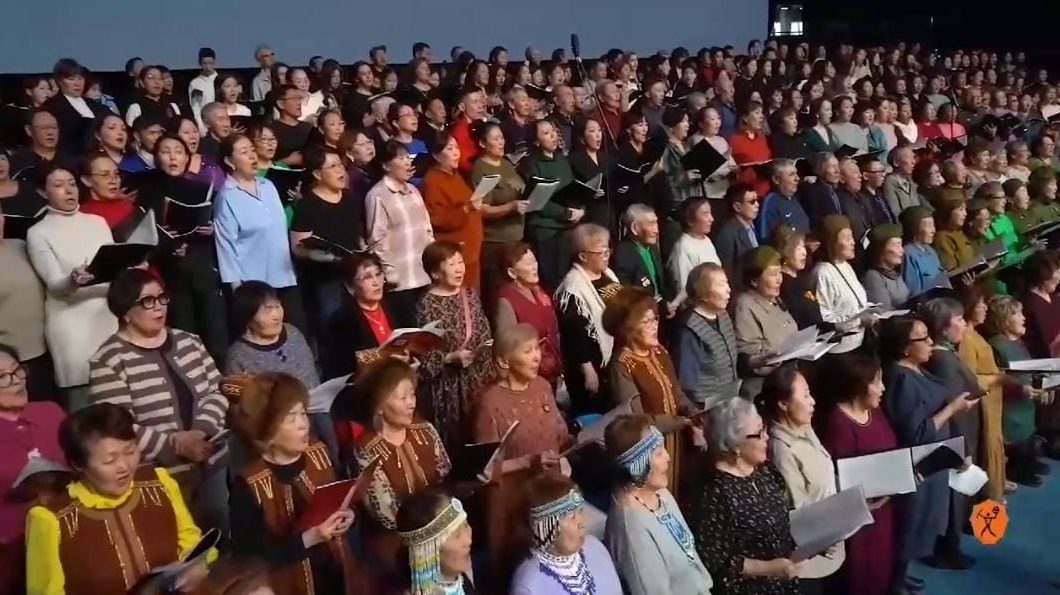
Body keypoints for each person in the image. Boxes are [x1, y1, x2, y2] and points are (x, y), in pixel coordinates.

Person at [87, 268, 229, 530]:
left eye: (162, 298)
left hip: (214, 461)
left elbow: (218, 390)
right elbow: (117, 426)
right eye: (147, 301)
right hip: (159, 474)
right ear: (125, 312)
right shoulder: (109, 359)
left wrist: (202, 431)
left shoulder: (190, 341)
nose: (159, 306)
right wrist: (176, 446)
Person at [24, 403, 213, 594]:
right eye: (110, 461)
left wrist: (197, 569)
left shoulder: (159, 483)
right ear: (78, 464)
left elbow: (192, 544)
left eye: (130, 452)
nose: (124, 466)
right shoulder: (51, 518)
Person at [228, 372, 367, 594]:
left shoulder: (319, 451)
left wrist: (349, 515)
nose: (303, 425)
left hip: (339, 578)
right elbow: (248, 560)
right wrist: (308, 539)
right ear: (267, 430)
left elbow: (342, 496)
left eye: (303, 413)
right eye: (291, 418)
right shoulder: (248, 483)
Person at [878, 316, 979, 589]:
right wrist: (952, 408)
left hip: (935, 457)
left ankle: (901, 574)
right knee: (910, 525)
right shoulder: (900, 379)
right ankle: (893, 582)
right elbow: (917, 433)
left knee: (923, 523)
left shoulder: (919, 369)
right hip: (916, 464)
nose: (931, 342)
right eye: (923, 338)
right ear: (905, 347)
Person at [473, 324, 574, 589]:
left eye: (537, 348)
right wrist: (528, 462)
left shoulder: (542, 386)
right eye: (527, 351)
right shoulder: (490, 402)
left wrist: (572, 447)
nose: (537, 356)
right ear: (504, 361)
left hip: (550, 492)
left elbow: (559, 434)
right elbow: (484, 470)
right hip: (513, 503)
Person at [346, 358, 451, 579]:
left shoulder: (425, 429)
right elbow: (386, 514)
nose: (411, 403)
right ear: (379, 406)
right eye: (402, 397)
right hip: (396, 548)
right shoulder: (366, 449)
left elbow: (446, 476)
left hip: (440, 530)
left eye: (412, 394)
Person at [26, 165, 118, 409]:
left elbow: (111, 267)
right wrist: (73, 280)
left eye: (72, 183)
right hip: (71, 323)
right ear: (43, 192)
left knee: (117, 393)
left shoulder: (98, 222)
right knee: (83, 404)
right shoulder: (38, 232)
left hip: (106, 315)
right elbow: (55, 285)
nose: (68, 190)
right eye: (58, 185)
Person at [695, 397, 799, 595]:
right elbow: (714, 562)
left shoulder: (765, 470)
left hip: (784, 582)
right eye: (759, 433)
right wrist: (769, 568)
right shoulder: (716, 493)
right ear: (735, 445)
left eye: (764, 428)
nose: (766, 437)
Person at [223, 281, 336, 461]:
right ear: (249, 317)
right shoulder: (238, 355)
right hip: (276, 437)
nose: (276, 315)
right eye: (267, 310)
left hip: (317, 418)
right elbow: (242, 413)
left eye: (277, 306)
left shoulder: (293, 333)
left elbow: (311, 378)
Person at [758, 365, 845, 592]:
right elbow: (798, 512)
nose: (813, 401)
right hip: (812, 558)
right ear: (783, 404)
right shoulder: (781, 450)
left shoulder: (804, 426)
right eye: (805, 395)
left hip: (832, 543)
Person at [604, 414, 713, 595]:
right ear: (637, 464)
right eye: (659, 453)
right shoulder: (632, 528)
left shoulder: (660, 493)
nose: (668, 457)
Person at [819, 353, 899, 595]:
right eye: (876, 382)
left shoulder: (875, 411)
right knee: (859, 575)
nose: (882, 388)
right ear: (858, 385)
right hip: (858, 517)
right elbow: (839, 476)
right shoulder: (838, 423)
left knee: (881, 569)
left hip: (883, 508)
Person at [604, 286, 698, 490]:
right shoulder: (623, 363)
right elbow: (635, 418)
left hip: (678, 439)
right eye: (645, 322)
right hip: (652, 448)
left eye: (654, 319)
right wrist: (676, 421)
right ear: (627, 328)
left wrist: (692, 411)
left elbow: (676, 391)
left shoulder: (659, 351)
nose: (654, 326)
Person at [214, 134, 307, 332]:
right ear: (229, 161)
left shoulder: (268, 186)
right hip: (254, 285)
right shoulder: (227, 197)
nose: (252, 156)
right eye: (244, 152)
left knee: (297, 332)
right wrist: (238, 291)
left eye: (252, 150)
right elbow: (226, 248)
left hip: (285, 276)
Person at [415, 241, 494, 452]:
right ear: (435, 273)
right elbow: (425, 356)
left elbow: (484, 333)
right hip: (448, 389)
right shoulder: (427, 304)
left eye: (460, 262)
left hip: (477, 381)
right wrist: (450, 358)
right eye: (451, 264)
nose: (459, 269)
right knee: (456, 443)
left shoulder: (470, 295)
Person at [0, 344, 65, 593]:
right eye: (2, 377)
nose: (16, 381)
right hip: (14, 552)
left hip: (71, 533)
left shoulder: (50, 412)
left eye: (17, 370)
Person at [511, 472, 623, 595]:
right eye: (570, 517)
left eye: (580, 511)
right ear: (543, 527)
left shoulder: (595, 548)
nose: (582, 524)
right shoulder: (529, 587)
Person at [290, 145, 363, 327]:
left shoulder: (349, 198)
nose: (340, 170)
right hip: (325, 280)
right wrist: (320, 255)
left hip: (353, 273)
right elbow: (298, 247)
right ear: (317, 174)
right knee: (333, 327)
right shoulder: (308, 205)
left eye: (340, 165)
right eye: (332, 166)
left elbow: (356, 233)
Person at [555, 223, 621, 415]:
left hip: (613, 360)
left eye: (608, 251)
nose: (606, 256)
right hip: (592, 365)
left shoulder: (608, 274)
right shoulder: (573, 288)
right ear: (583, 256)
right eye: (601, 252)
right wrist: (588, 370)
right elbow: (575, 335)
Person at [364, 140, 435, 314]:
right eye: (401, 158)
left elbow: (427, 228)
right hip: (400, 281)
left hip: (424, 274)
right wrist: (389, 270)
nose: (407, 162)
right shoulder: (377, 195)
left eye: (407, 157)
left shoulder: (413, 190)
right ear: (386, 165)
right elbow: (377, 239)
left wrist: (433, 259)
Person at [986, 295, 1052, 479]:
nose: (1024, 318)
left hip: (1025, 407)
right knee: (1015, 437)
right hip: (1009, 410)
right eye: (1017, 314)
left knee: (1027, 433)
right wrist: (1019, 390)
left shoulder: (1019, 342)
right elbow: (996, 381)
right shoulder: (996, 346)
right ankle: (1015, 468)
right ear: (1004, 319)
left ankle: (1027, 459)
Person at [956, 288, 1009, 500]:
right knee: (987, 451)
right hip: (983, 405)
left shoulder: (975, 334)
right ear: (970, 307)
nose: (986, 308)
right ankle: (991, 500)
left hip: (993, 401)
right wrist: (998, 378)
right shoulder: (966, 339)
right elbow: (969, 379)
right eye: (981, 304)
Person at [470, 121, 528, 300]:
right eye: (495, 139)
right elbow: (482, 209)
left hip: (515, 237)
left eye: (502, 138)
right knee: (498, 294)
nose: (501, 142)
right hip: (496, 242)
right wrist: (510, 207)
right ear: (483, 143)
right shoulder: (480, 169)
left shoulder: (506, 164)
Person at [733, 247, 799, 399]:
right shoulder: (744, 305)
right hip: (763, 391)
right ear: (754, 280)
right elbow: (750, 355)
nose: (779, 279)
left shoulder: (774, 299)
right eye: (773, 274)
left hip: (787, 380)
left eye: (780, 273)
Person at [421, 131, 484, 289]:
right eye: (450, 149)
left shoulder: (455, 175)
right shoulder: (433, 181)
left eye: (457, 147)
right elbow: (437, 219)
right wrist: (466, 208)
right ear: (436, 155)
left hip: (472, 251)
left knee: (472, 297)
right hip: (456, 253)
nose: (456, 152)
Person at [494, 243, 562, 385]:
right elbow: (507, 347)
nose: (534, 266)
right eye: (528, 263)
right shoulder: (506, 301)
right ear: (512, 273)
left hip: (551, 370)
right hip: (527, 377)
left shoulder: (538, 291)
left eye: (534, 261)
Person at [673, 263, 740, 408]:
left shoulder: (723, 315)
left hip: (729, 400)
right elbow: (687, 382)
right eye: (721, 284)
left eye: (727, 282)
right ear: (703, 294)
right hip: (705, 407)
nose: (728, 289)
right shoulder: (688, 329)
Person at [393, 490, 476, 595]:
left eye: (465, 525)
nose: (468, 541)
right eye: (456, 535)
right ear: (425, 553)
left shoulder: (463, 580)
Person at [813, 214, 871, 354]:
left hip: (860, 342)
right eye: (847, 238)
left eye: (852, 237)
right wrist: (857, 321)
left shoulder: (846, 265)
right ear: (832, 242)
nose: (853, 242)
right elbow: (824, 317)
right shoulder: (822, 272)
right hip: (841, 350)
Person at [667, 197, 720, 309]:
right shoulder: (683, 247)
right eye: (705, 214)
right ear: (690, 220)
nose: (711, 219)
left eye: (710, 213)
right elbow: (684, 288)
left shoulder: (707, 240)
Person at [611, 203, 670, 303]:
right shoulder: (622, 255)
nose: (656, 230)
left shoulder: (652, 247)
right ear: (634, 228)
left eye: (656, 223)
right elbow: (625, 296)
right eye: (651, 224)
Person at [773, 225, 821, 329]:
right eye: (798, 248)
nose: (804, 253)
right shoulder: (782, 284)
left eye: (803, 247)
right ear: (785, 251)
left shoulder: (802, 278)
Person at [715, 183, 761, 287]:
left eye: (757, 200)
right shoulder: (727, 234)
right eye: (752, 202)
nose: (757, 205)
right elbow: (727, 272)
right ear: (737, 207)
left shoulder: (752, 226)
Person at [901, 206, 949, 297]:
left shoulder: (931, 251)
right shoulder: (908, 253)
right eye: (928, 226)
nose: (933, 231)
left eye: (933, 225)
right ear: (914, 228)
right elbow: (915, 293)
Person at [862, 223, 911, 310]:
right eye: (897, 245)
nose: (902, 250)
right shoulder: (874, 277)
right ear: (881, 250)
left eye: (901, 245)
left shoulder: (894, 272)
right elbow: (884, 312)